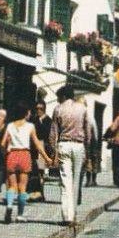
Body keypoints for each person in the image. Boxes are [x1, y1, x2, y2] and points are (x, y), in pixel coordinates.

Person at [0, 102, 54, 223]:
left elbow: (3, 143)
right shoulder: (30, 126)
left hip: (12, 154)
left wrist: (5, 154)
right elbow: (38, 144)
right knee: (22, 187)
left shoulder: (10, 126)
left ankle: (9, 206)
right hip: (25, 155)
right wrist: (46, 158)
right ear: (25, 114)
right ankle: (20, 214)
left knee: (11, 185)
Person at [49, 87, 94, 226]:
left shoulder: (58, 109)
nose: (57, 99)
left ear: (63, 96)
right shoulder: (82, 109)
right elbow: (88, 132)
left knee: (65, 181)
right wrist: (87, 149)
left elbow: (53, 133)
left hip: (63, 144)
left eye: (58, 96)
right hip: (78, 145)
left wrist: (54, 151)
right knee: (76, 181)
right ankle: (73, 215)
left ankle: (66, 216)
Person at [28, 100, 51, 201]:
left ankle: (40, 192)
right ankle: (38, 192)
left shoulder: (48, 120)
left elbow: (49, 134)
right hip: (34, 146)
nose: (38, 111)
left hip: (43, 145)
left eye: (40, 109)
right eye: (37, 108)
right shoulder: (33, 120)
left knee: (41, 170)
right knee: (35, 170)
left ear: (44, 109)